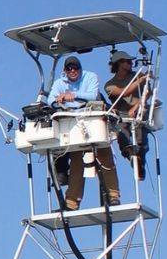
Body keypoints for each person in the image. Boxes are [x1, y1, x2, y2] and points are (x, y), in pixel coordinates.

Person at [48, 55, 120, 211]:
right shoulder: (60, 83)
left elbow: (93, 95)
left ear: (80, 68)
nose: (73, 71)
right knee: (75, 162)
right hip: (73, 123)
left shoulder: (90, 76)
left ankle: (113, 195)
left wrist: (73, 96)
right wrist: (59, 99)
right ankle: (71, 203)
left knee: (104, 156)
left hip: (93, 120)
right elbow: (50, 100)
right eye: (69, 69)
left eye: (75, 68)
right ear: (65, 71)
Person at [104, 51, 152, 180]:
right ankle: (130, 155)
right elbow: (122, 92)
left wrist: (137, 106)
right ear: (119, 64)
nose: (131, 64)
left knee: (140, 137)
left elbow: (148, 92)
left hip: (139, 111)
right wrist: (140, 80)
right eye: (128, 61)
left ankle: (139, 162)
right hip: (121, 114)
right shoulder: (109, 85)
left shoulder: (138, 75)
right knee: (121, 131)